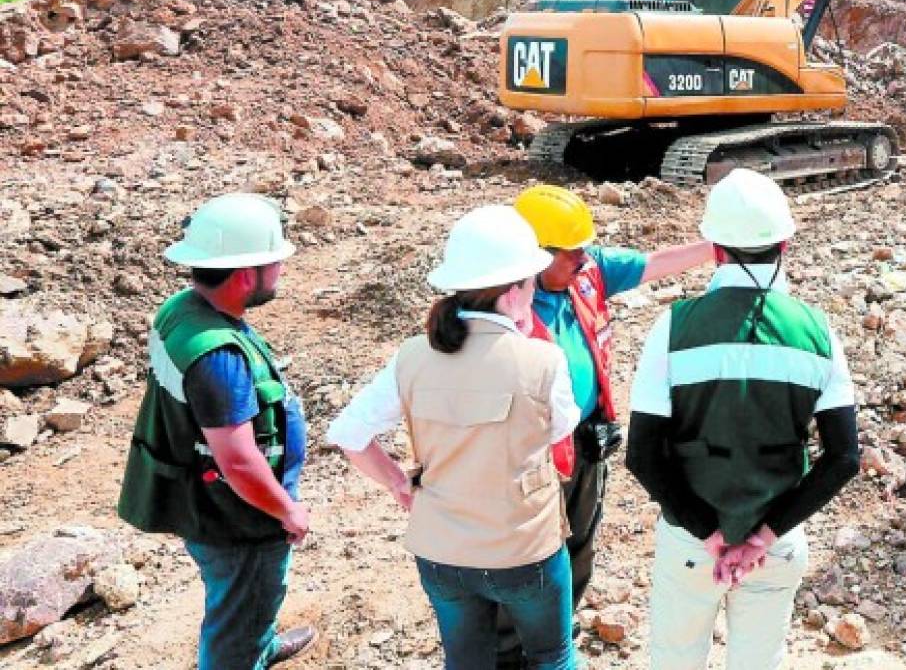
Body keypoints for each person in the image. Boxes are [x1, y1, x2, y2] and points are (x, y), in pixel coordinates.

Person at [327, 205, 581, 670]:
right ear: (512, 293)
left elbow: (349, 433)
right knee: (553, 656)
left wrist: (397, 483)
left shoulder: (412, 356)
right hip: (524, 549)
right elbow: (563, 428)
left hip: (441, 551)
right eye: (529, 283)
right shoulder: (542, 360)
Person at [626, 168, 860, 670]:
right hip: (775, 542)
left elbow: (641, 454)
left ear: (713, 248)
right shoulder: (818, 332)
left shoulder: (672, 329)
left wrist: (708, 532)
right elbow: (843, 458)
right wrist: (765, 536)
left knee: (675, 660)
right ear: (786, 244)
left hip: (691, 541)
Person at [494, 184, 713, 667]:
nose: (584, 256)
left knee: (579, 539)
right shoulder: (497, 303)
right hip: (525, 450)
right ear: (534, 255)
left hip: (584, 440)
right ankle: (511, 650)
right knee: (524, 552)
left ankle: (556, 631)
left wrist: (718, 245)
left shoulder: (586, 272)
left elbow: (653, 264)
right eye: (572, 250)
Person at [116, 193, 315, 670]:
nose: (281, 271)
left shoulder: (181, 309)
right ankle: (241, 653)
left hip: (205, 502)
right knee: (240, 606)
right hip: (236, 519)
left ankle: (257, 644)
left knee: (244, 605)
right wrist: (287, 510)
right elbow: (240, 461)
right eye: (275, 262)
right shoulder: (218, 360)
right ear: (247, 275)